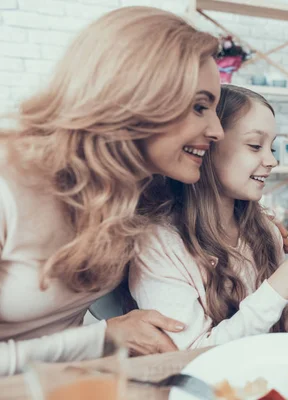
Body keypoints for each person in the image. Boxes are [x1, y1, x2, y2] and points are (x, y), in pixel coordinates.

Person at [0, 6, 226, 376]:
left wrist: (254, 223)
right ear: (136, 97)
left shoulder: (135, 186)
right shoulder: (8, 184)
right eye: (199, 106)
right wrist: (103, 337)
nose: (216, 130)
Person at [129, 85, 288, 349]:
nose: (271, 160)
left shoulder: (264, 230)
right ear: (206, 147)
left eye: (271, 148)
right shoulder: (159, 244)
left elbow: (275, 330)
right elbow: (192, 355)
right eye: (254, 146)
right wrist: (279, 286)